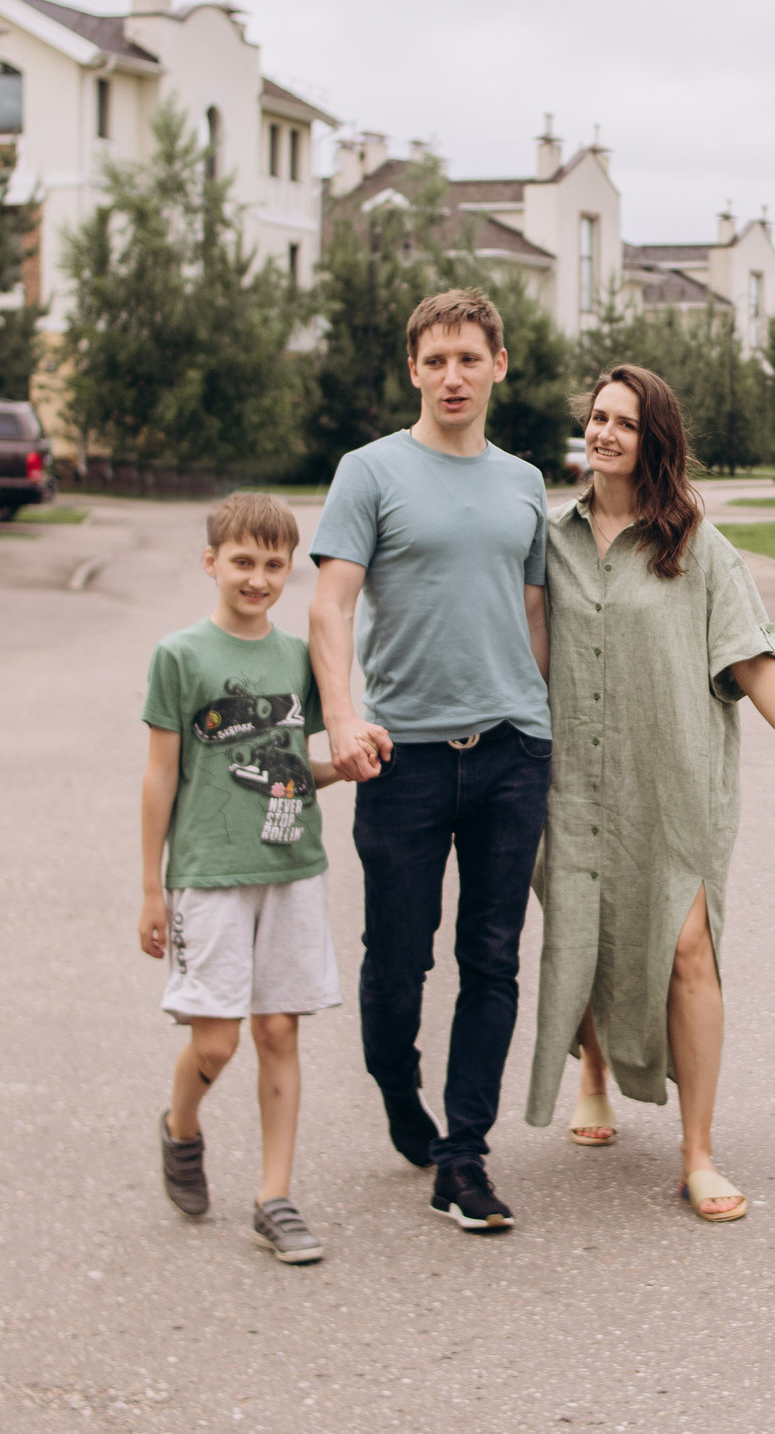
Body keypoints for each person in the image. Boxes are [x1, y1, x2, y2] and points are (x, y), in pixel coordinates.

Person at [526, 364, 775, 1222]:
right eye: (597, 417)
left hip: (672, 787)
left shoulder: (696, 548)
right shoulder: (546, 539)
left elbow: (751, 656)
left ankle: (698, 1151)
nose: (603, 433)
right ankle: (593, 1075)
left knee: (687, 950)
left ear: (653, 442)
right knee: (588, 931)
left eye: (624, 423)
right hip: (571, 785)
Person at [310, 289, 553, 1233]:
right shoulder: (369, 472)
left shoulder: (524, 482)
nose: (454, 375)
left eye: (470, 357)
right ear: (414, 368)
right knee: (398, 961)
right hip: (399, 758)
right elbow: (330, 607)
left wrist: (544, 725)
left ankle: (464, 1154)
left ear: (500, 364)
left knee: (491, 959)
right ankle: (399, 1091)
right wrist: (342, 717)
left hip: (509, 753)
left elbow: (535, 616)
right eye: (436, 359)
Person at [139, 492, 360, 1264]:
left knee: (277, 1029)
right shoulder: (181, 656)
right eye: (243, 561)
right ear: (211, 563)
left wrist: (348, 763)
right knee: (216, 1044)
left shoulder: (298, 658)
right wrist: (149, 885)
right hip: (207, 873)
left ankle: (275, 1197)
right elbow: (161, 776)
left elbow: (294, 770)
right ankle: (182, 1127)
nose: (258, 577)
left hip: (291, 866)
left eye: (273, 564)